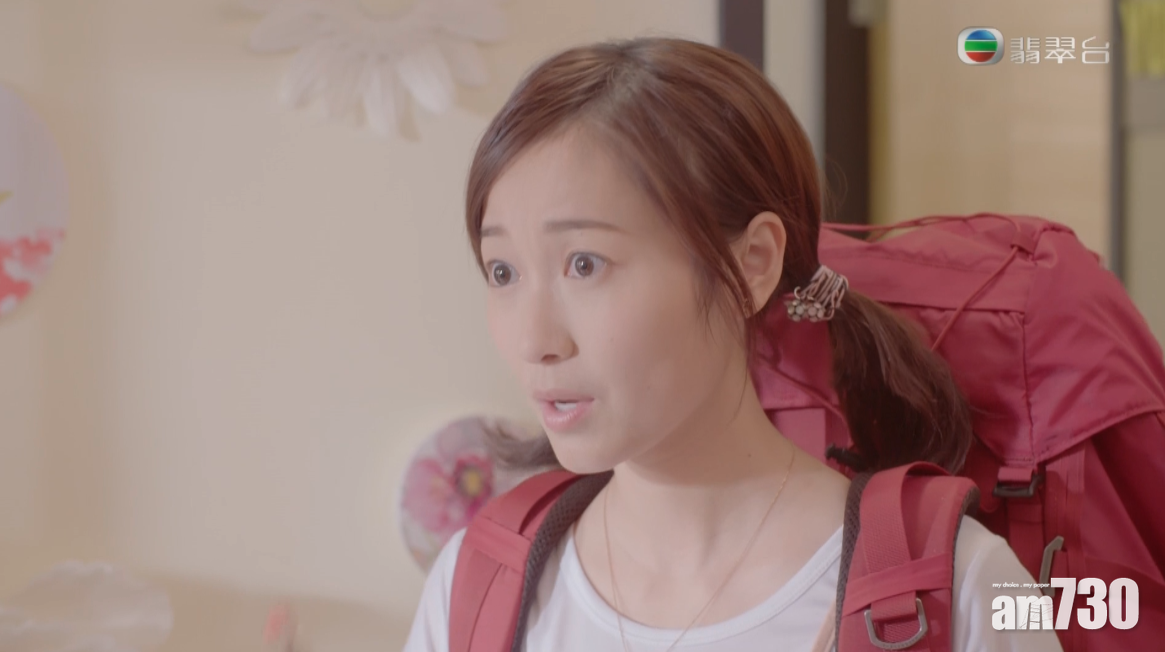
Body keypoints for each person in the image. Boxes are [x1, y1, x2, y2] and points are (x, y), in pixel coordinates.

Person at [403, 37, 1061, 652]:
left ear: (752, 264)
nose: (533, 340)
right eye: (502, 272)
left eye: (584, 264)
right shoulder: (473, 588)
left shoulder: (962, 585)